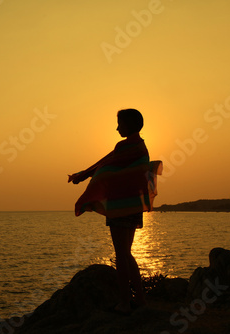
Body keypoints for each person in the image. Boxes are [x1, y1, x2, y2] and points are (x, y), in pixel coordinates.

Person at [68, 108, 162, 315]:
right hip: (133, 205)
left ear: (128, 125)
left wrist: (82, 176)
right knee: (127, 254)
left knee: (121, 255)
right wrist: (84, 175)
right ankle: (141, 300)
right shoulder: (141, 146)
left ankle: (125, 303)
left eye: (119, 123)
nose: (117, 127)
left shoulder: (126, 146)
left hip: (121, 207)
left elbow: (104, 164)